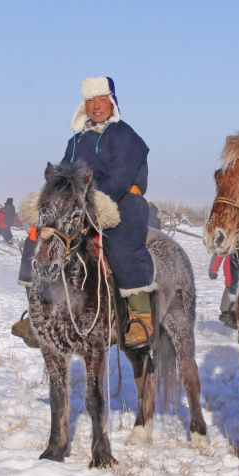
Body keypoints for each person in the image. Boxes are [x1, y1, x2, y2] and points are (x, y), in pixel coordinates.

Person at [15, 76, 155, 350]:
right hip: (79, 203)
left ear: (112, 102)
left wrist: (91, 197)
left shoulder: (125, 135)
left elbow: (121, 176)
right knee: (38, 239)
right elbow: (62, 176)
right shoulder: (76, 141)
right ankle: (36, 313)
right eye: (91, 100)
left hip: (121, 200)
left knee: (121, 245)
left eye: (102, 99)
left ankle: (141, 316)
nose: (96, 105)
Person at [208, 254, 239, 329]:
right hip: (232, 278)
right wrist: (213, 269)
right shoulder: (229, 243)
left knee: (229, 309)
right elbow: (220, 252)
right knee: (225, 308)